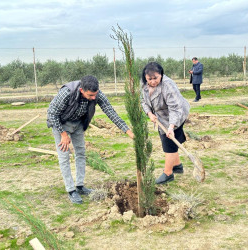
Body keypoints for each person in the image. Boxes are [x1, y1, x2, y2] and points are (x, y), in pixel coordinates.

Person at [47, 75, 134, 204]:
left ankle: (80, 186)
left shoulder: (97, 94)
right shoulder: (67, 92)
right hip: (61, 124)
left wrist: (127, 131)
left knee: (81, 152)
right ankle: (71, 190)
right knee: (64, 156)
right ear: (82, 90)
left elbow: (110, 111)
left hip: (78, 124)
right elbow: (52, 113)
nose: (94, 98)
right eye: (90, 96)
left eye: (95, 95)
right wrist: (63, 134)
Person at [141, 62, 190, 184]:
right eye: (149, 79)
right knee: (170, 142)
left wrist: (171, 127)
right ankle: (177, 165)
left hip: (176, 115)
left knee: (169, 143)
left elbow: (175, 108)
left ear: (161, 75)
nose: (152, 81)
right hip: (160, 116)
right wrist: (149, 113)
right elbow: (143, 100)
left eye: (155, 78)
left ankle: (168, 173)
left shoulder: (168, 85)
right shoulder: (143, 84)